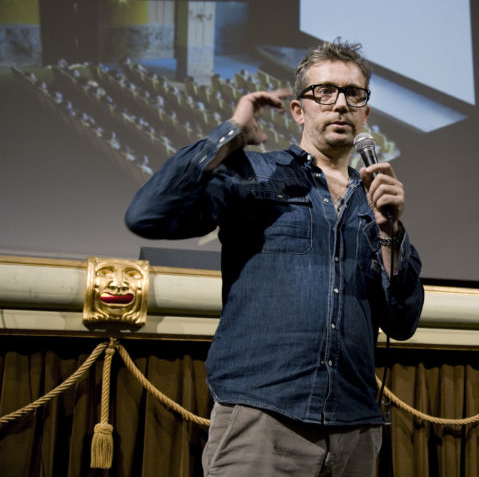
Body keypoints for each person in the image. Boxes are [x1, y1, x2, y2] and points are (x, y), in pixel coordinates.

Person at [125, 39, 424, 476]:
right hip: (263, 418)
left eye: (353, 94)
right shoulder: (254, 174)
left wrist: (389, 232)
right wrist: (229, 134)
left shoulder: (377, 202)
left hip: (354, 432)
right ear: (299, 110)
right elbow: (147, 214)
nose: (340, 104)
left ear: (365, 113)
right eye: (325, 91)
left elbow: (402, 321)